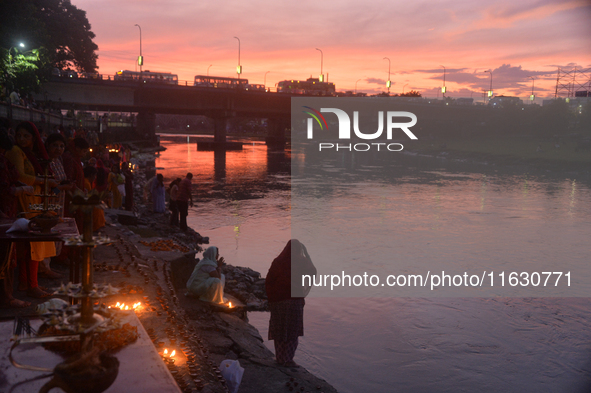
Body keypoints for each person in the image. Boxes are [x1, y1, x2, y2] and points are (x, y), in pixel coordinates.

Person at [5, 122, 58, 298]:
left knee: (32, 245)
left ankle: (28, 284)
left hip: (33, 201)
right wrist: (43, 181)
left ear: (33, 138)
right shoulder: (15, 152)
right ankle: (28, 285)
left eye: (26, 136)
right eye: (19, 135)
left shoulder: (30, 154)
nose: (21, 139)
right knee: (30, 244)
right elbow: (20, 177)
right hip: (24, 202)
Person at [265, 240, 317, 367]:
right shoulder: (301, 262)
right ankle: (288, 359)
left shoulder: (278, 262)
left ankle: (280, 358)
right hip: (294, 302)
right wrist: (307, 255)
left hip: (278, 301)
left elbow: (269, 281)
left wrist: (271, 299)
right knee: (292, 331)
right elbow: (313, 272)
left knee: (280, 329)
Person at [0, 129, 32, 308]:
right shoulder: (2, 162)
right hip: (4, 214)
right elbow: (5, 189)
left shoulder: (5, 160)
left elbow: (12, 180)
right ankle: (7, 297)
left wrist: (19, 186)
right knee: (5, 257)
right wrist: (20, 189)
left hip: (7, 212)